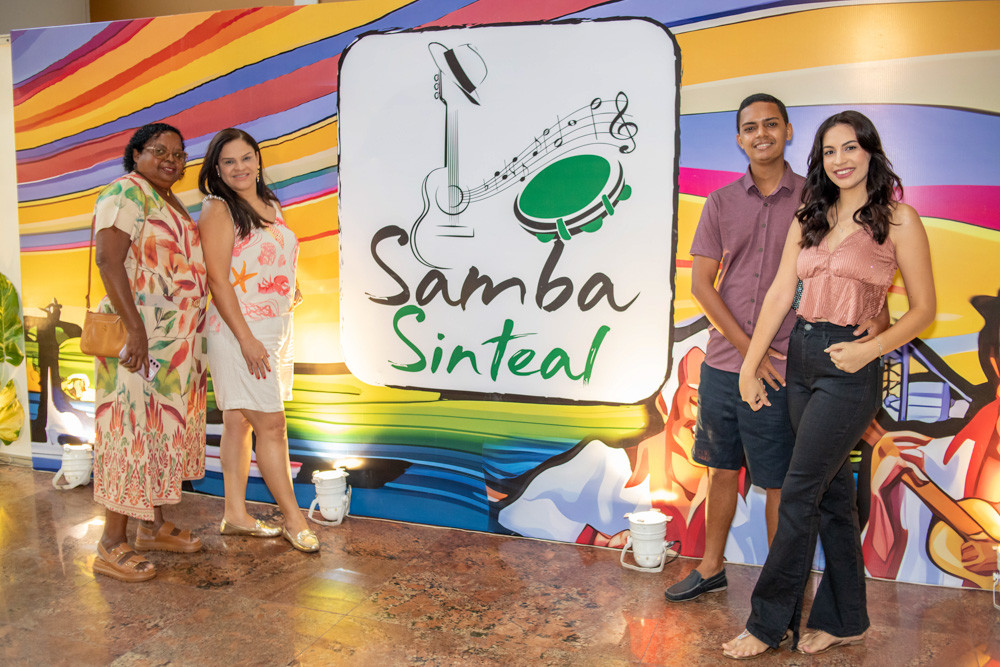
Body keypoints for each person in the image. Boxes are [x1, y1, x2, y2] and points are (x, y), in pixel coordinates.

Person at [722, 110, 936, 658]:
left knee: (798, 492)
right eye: (829, 151)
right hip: (802, 357)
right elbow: (779, 294)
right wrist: (749, 365)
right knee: (833, 498)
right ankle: (847, 620)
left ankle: (768, 624)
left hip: (851, 366)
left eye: (850, 148)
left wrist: (869, 348)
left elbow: (924, 309)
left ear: (870, 152)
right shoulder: (809, 216)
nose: (840, 160)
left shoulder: (899, 220)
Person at [666, 94, 887, 603]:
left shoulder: (821, 198)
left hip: (791, 366)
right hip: (727, 363)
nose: (761, 133)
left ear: (788, 131)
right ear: (739, 138)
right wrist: (751, 354)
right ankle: (711, 567)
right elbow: (701, 286)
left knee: (780, 482)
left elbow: (861, 273)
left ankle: (780, 591)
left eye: (771, 124)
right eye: (750, 127)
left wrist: (878, 319)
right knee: (720, 468)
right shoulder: (720, 202)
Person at [92, 123, 208, 582]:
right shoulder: (125, 191)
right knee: (130, 434)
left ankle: (151, 526)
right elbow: (108, 259)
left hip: (173, 346)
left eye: (179, 154)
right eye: (159, 151)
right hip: (138, 343)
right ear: (136, 153)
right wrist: (135, 331)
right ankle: (110, 544)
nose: (171, 160)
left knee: (158, 433)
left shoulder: (169, 200)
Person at [197, 128, 317, 553]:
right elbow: (218, 279)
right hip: (239, 331)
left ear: (258, 159)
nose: (239, 168)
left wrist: (287, 286)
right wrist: (246, 339)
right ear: (216, 168)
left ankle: (235, 514)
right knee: (272, 425)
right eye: (228, 161)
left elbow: (264, 256)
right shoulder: (217, 208)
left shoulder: (270, 203)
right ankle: (294, 520)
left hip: (275, 327)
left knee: (238, 420)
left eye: (246, 157)